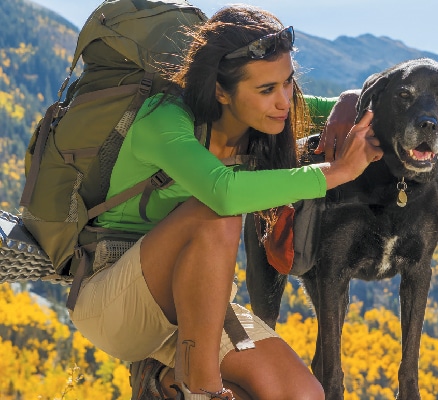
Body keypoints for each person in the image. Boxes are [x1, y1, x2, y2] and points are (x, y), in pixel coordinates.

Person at [67, 4, 382, 400]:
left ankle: (159, 381)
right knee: (216, 214)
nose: (284, 101)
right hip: (114, 300)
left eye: (287, 82)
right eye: (266, 90)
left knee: (302, 396)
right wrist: (337, 172)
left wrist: (355, 100)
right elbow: (223, 193)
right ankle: (200, 391)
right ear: (220, 90)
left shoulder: (271, 116)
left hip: (197, 305)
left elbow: (351, 108)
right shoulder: (163, 120)